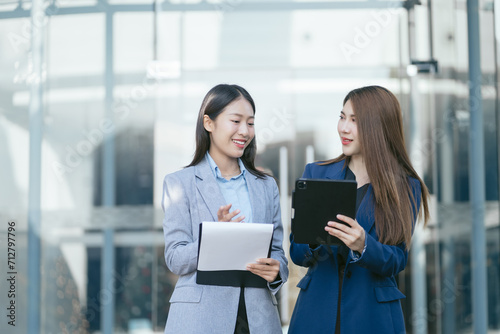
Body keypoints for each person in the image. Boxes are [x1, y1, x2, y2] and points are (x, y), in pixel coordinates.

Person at [288, 85, 430, 334]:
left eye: (355, 120)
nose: (344, 127)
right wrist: (312, 239)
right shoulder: (316, 173)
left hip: (372, 317)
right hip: (317, 313)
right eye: (342, 117)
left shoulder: (405, 186)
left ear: (379, 126)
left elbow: (397, 260)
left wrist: (364, 245)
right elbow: (298, 254)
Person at [161, 84, 288, 334]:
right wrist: (214, 237)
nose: (245, 131)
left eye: (250, 123)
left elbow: (277, 253)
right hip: (200, 319)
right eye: (236, 121)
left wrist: (277, 271)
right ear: (209, 123)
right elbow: (175, 258)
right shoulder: (179, 183)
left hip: (257, 320)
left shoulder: (266, 186)